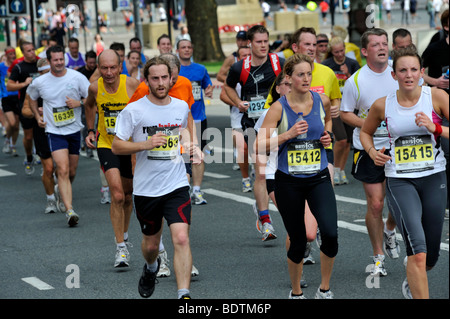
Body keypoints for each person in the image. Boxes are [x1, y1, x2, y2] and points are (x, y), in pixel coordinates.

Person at [360, 47, 448, 298]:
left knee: (430, 256)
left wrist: (436, 128)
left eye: (413, 70)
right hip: (400, 180)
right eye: (402, 70)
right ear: (394, 74)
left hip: (433, 177)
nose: (408, 75)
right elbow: (365, 132)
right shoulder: (382, 105)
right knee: (417, 252)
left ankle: (413, 278)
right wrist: (371, 151)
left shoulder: (437, 97)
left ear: (421, 72)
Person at [112, 56, 199, 299]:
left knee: (181, 237)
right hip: (147, 189)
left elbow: (183, 130)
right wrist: (145, 144)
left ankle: (184, 295)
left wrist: (192, 146)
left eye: (164, 77)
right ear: (146, 80)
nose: (161, 83)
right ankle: (151, 267)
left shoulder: (181, 106)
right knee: (151, 245)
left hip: (176, 183)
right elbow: (117, 146)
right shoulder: (134, 110)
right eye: (155, 78)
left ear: (171, 78)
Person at [259, 53, 338, 299]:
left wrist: (327, 137)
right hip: (288, 182)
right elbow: (259, 145)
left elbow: (327, 123)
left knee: (331, 235)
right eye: (300, 74)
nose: (306, 78)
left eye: (309, 74)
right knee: (298, 240)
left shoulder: (321, 100)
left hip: (318, 177)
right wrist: (287, 134)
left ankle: (324, 289)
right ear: (289, 78)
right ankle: (295, 293)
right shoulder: (278, 108)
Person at [340, 28, 401, 275]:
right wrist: (369, 125)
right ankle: (377, 256)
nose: (382, 48)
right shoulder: (355, 81)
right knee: (376, 204)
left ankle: (390, 229)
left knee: (398, 203)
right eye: (376, 44)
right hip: (368, 147)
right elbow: (345, 113)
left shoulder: (400, 73)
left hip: (400, 145)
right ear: (365, 51)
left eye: (385, 43)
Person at [223, 25, 284, 241]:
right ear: (250, 43)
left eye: (266, 41)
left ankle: (268, 210)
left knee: (279, 172)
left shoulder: (278, 63)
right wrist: (238, 102)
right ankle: (266, 221)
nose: (263, 45)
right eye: (258, 42)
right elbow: (227, 88)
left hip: (277, 125)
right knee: (260, 173)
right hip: (252, 124)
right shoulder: (240, 67)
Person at [27, 45, 90, 226]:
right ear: (49, 61)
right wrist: (38, 116)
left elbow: (91, 98)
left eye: (62, 59)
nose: (59, 63)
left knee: (71, 171)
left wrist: (79, 103)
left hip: (73, 130)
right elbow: (30, 97)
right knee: (61, 169)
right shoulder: (40, 82)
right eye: (55, 60)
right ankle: (70, 210)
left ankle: (62, 192)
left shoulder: (77, 77)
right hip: (54, 131)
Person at [177, 39, 213, 205]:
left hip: (199, 118)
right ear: (177, 50)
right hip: (180, 121)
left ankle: (196, 190)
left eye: (189, 47)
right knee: (182, 156)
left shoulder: (200, 69)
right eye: (183, 47)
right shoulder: (174, 71)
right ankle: (181, 189)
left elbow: (208, 85)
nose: (186, 50)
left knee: (198, 155)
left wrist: (209, 89)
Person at [21, 58, 58, 214]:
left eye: (49, 71)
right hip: (42, 131)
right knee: (48, 169)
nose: (46, 74)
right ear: (39, 73)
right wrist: (37, 113)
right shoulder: (34, 88)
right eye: (43, 72)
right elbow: (25, 111)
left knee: (65, 170)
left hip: (61, 130)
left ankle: (61, 190)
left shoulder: (60, 85)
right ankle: (50, 200)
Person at [322, 36, 360, 185]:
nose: (339, 54)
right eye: (336, 52)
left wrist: (348, 74)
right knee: (341, 139)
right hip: (334, 107)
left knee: (348, 142)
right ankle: (335, 168)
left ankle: (341, 170)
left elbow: (359, 85)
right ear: (332, 52)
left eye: (342, 50)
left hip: (350, 107)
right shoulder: (327, 65)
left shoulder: (352, 63)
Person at [220, 46, 253, 192]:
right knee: (243, 148)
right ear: (238, 59)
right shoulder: (235, 73)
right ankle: (245, 179)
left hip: (257, 119)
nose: (246, 57)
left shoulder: (259, 73)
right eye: (243, 55)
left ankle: (256, 173)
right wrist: (237, 103)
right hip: (237, 118)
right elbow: (222, 94)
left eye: (248, 55)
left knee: (258, 150)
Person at [7, 41, 39, 175]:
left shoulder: (41, 63)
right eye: (29, 51)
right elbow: (9, 86)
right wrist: (24, 84)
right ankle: (29, 156)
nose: (32, 53)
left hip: (42, 105)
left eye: (33, 49)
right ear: (23, 53)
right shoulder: (19, 67)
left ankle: (43, 158)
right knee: (29, 136)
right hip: (26, 106)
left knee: (43, 134)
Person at [1, 47, 20, 157]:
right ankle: (7, 140)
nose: (13, 55)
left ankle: (12, 145)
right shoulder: (1, 67)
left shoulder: (17, 66)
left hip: (17, 97)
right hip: (6, 97)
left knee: (17, 126)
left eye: (14, 53)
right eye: (11, 54)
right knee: (12, 123)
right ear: (6, 55)